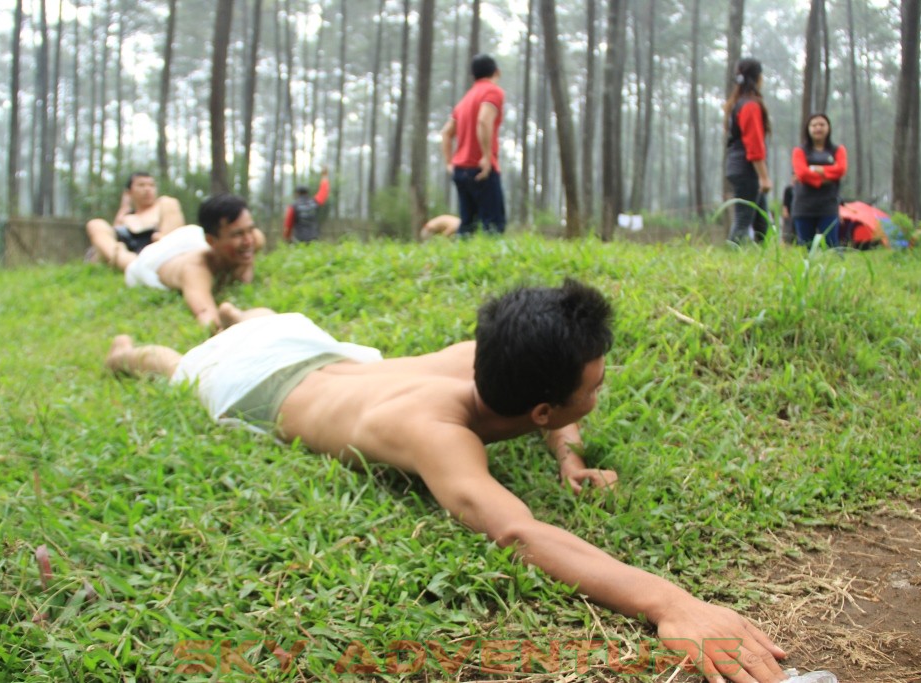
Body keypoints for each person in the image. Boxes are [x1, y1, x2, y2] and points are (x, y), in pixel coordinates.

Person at [106, 280, 789, 683]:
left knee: (260, 323)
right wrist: (671, 602)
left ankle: (237, 314)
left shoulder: (491, 358)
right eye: (596, 386)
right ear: (543, 405)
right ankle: (134, 352)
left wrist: (568, 459)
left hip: (312, 344)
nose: (600, 391)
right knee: (177, 363)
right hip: (249, 381)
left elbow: (552, 414)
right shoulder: (437, 432)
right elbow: (517, 530)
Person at [91, 193, 266, 332]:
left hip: (187, 238)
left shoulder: (251, 240)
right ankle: (109, 242)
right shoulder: (196, 270)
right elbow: (206, 314)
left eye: (250, 230)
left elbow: (255, 239)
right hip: (151, 260)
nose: (248, 240)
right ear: (212, 240)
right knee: (121, 257)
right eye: (237, 234)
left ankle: (158, 237)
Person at [440, 54, 506, 236]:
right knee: (493, 227)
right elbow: (484, 121)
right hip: (481, 168)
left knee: (467, 227)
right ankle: (492, 263)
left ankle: (463, 262)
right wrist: (486, 157)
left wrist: (449, 163)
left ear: (473, 77)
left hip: (461, 170)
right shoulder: (493, 91)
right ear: (497, 72)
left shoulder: (466, 99)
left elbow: (446, 133)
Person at [724, 58, 772, 245]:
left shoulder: (737, 103)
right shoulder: (750, 105)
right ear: (758, 77)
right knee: (743, 220)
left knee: (762, 221)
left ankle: (764, 261)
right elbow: (754, 144)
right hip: (747, 169)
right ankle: (731, 258)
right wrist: (764, 176)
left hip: (739, 166)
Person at [86, 172, 186, 257]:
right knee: (95, 224)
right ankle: (126, 261)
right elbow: (113, 235)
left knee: (169, 201)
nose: (147, 189)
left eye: (151, 185)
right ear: (129, 192)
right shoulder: (127, 216)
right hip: (126, 253)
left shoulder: (165, 205)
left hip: (159, 251)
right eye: (141, 185)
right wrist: (124, 207)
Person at [791, 113, 848, 249]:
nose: (818, 128)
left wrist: (816, 169)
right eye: (814, 125)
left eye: (822, 124)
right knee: (805, 249)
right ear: (808, 129)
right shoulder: (799, 151)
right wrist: (827, 177)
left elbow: (841, 170)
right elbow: (802, 173)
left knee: (832, 248)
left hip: (828, 207)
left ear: (828, 127)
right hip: (803, 207)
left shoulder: (838, 150)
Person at [283, 168, 330, 243]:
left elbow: (288, 225)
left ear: (297, 194)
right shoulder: (314, 202)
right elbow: (323, 192)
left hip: (299, 240)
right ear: (307, 193)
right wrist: (324, 176)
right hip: (314, 239)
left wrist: (286, 238)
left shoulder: (293, 206)